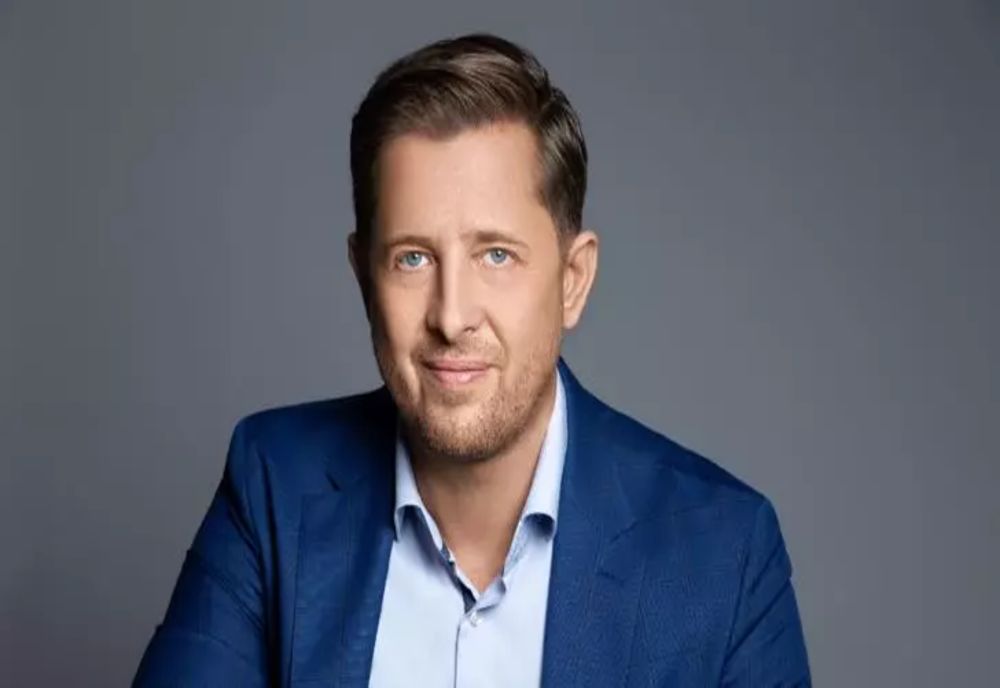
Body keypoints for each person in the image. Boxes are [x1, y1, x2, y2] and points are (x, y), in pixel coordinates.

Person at [133, 32, 810, 687]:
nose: (451, 316)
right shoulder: (273, 484)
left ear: (572, 281)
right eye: (413, 259)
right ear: (364, 278)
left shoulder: (725, 551)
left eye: (496, 255)